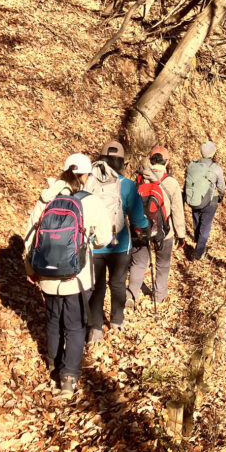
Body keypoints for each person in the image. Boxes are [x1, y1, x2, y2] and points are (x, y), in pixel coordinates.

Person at [22, 154, 111, 397]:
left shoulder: (46, 198)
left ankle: (53, 363)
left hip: (47, 277)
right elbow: (104, 238)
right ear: (84, 176)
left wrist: (32, 270)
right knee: (73, 327)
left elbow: (29, 236)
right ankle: (68, 377)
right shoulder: (90, 202)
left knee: (53, 320)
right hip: (77, 278)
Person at [84, 140, 148, 343]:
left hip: (94, 245)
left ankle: (95, 328)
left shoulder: (89, 183)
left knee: (97, 287)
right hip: (120, 245)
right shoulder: (127, 185)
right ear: (122, 163)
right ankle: (116, 321)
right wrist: (145, 228)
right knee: (118, 284)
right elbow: (138, 219)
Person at [128, 145, 187, 306]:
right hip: (164, 231)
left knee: (138, 263)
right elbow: (177, 211)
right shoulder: (171, 183)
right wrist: (181, 234)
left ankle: (131, 295)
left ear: (150, 158)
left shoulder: (139, 179)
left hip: (141, 228)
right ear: (166, 162)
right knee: (162, 264)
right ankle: (159, 295)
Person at [184, 140, 226, 261]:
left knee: (197, 223)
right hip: (210, 201)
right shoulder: (216, 168)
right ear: (213, 153)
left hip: (194, 199)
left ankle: (198, 244)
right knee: (205, 227)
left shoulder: (192, 166)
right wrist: (221, 196)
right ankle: (198, 253)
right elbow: (221, 186)